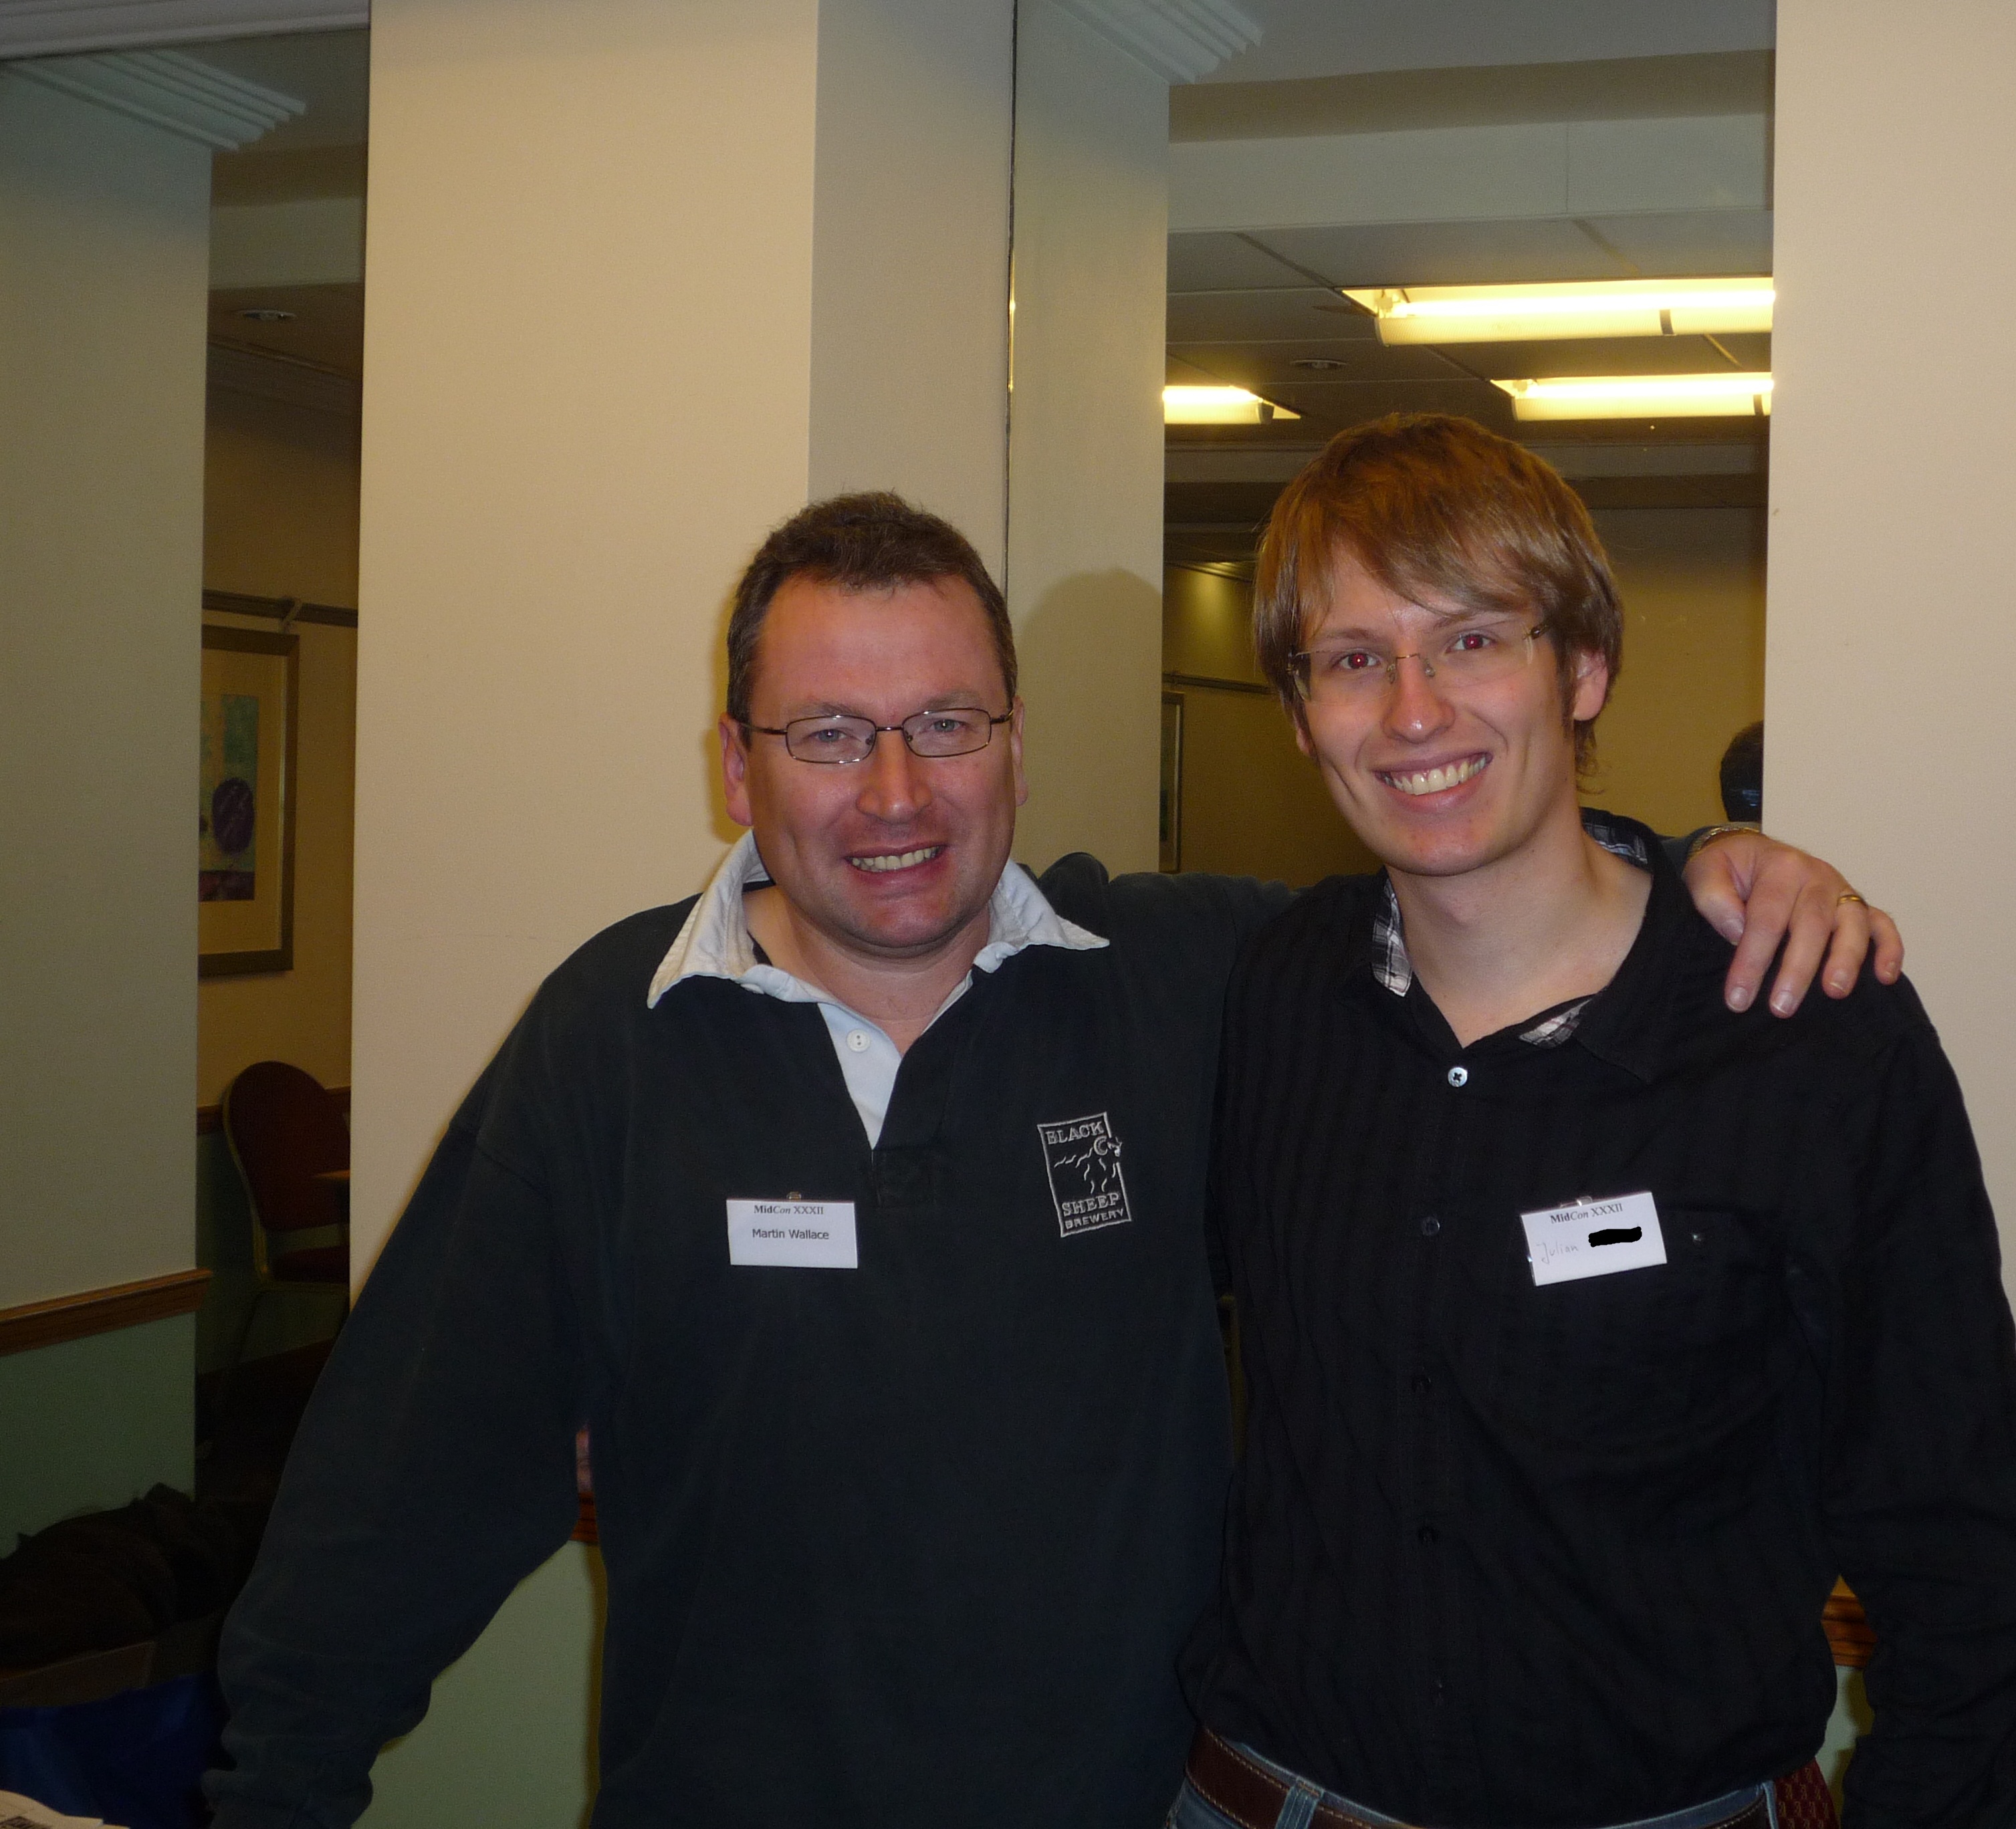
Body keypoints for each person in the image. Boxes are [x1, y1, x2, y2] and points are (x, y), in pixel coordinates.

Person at [208, 493, 1898, 1829]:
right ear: (735, 766)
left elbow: (1481, 887)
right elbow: (402, 1487)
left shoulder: (1194, 983)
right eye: (827, 734)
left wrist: (1700, 863)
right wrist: (275, 1795)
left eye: (946, 723)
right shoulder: (613, 1041)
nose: (895, 792)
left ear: (1017, 744)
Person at [1178, 417, 2016, 1829]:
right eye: (1352, 659)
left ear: (1583, 667)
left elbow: (1969, 1560)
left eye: (1474, 640)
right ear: (1300, 714)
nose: (1413, 712)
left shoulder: (1805, 1031)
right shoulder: (1270, 990)